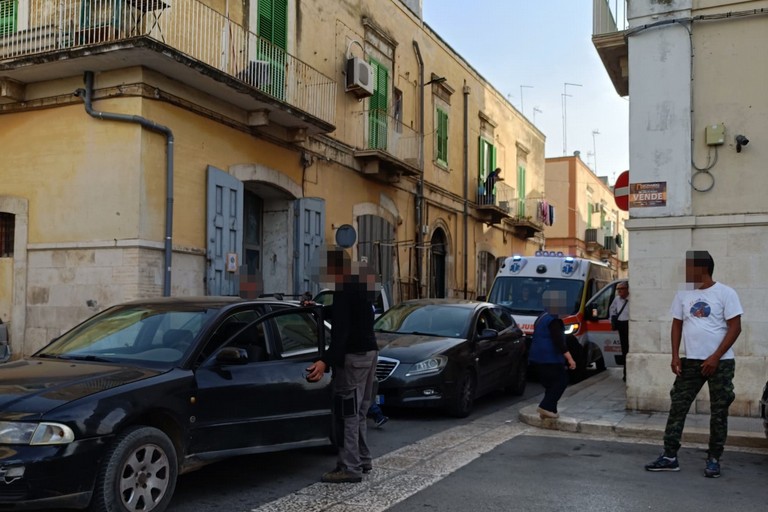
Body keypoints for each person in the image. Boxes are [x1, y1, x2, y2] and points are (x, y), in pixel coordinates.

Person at [645, 250, 742, 478]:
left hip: (721, 363)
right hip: (690, 362)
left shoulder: (726, 293)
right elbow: (676, 324)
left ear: (702, 269)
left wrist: (715, 357)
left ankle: (714, 459)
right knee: (678, 405)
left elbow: (735, 327)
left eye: (689, 268)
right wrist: (675, 355)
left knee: (719, 412)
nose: (685, 272)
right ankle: (669, 456)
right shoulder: (683, 294)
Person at [306, 249, 378, 484]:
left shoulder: (343, 290)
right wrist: (317, 309)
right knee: (360, 411)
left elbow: (341, 332)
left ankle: (350, 467)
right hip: (369, 353)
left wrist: (325, 360)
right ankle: (363, 458)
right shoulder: (359, 286)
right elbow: (346, 316)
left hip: (354, 358)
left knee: (348, 412)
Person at [528, 290, 577, 419]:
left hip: (536, 357)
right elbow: (559, 342)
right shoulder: (554, 321)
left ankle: (550, 411)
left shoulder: (542, 316)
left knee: (550, 384)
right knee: (561, 381)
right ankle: (545, 406)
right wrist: (570, 359)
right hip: (549, 358)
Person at [609, 281, 630, 381]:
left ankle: (628, 373)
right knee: (624, 350)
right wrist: (613, 320)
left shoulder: (631, 299)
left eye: (621, 289)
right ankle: (626, 374)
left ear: (627, 289)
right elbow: (612, 310)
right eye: (618, 289)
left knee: (629, 349)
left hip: (629, 324)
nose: (619, 291)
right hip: (621, 325)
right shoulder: (617, 299)